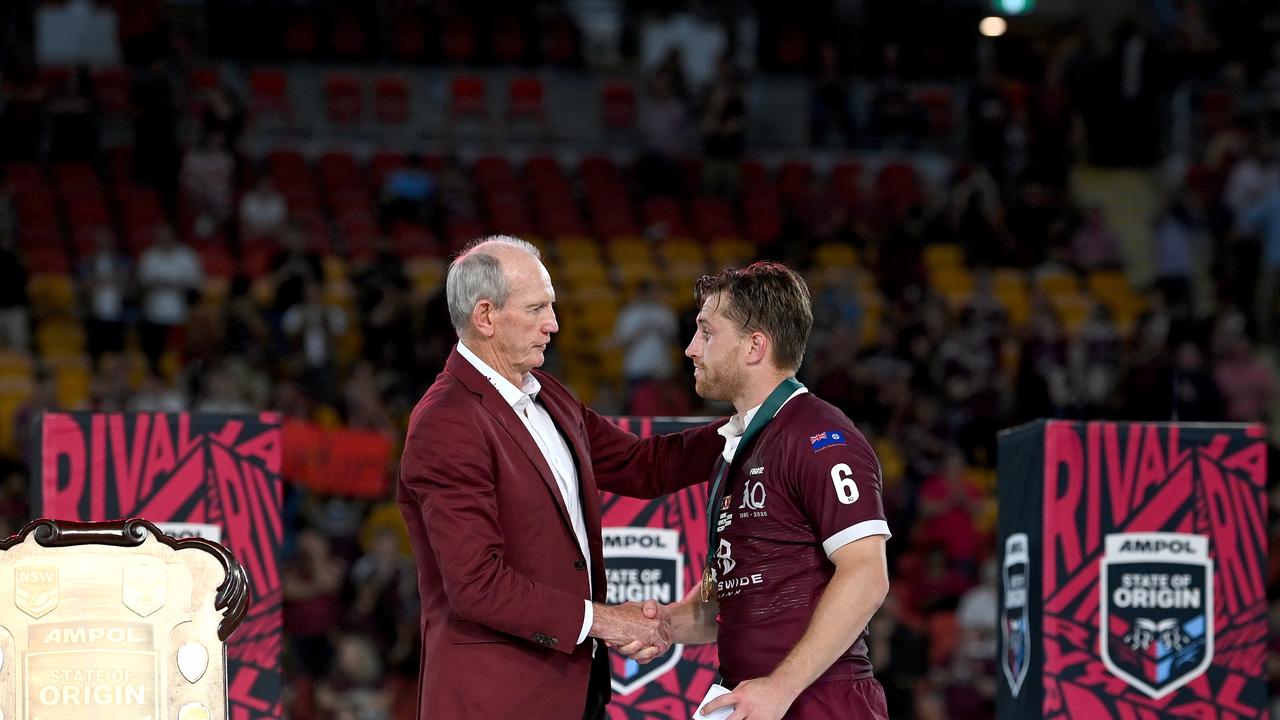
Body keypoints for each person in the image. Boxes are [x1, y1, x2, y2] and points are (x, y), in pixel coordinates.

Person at [397, 236, 725, 719]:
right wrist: (603, 621)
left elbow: (642, 465)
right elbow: (476, 585)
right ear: (485, 316)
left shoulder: (545, 391)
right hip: (497, 700)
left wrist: (751, 426)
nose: (554, 324)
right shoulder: (447, 422)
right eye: (536, 309)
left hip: (574, 691)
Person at [625, 262, 891, 720]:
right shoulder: (737, 445)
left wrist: (779, 687)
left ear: (755, 346)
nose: (690, 349)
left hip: (820, 702)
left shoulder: (820, 435)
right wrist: (665, 623)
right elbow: (727, 599)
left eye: (706, 332)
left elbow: (867, 575)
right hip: (755, 699)